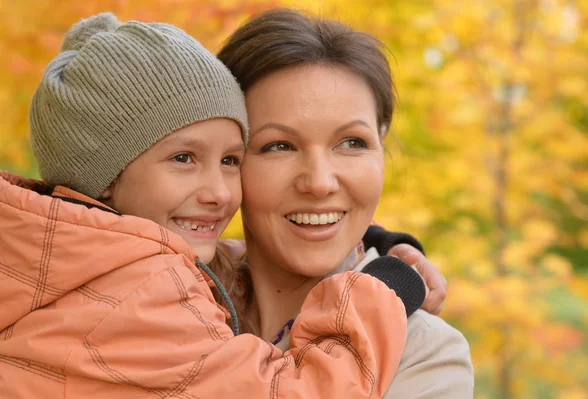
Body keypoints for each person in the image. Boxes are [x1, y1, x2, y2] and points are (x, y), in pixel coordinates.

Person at [0, 13, 424, 398]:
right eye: (183, 158)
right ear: (105, 178)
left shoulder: (50, 257)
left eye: (229, 160)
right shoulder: (145, 292)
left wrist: (376, 242)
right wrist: (384, 288)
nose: (219, 192)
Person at [217, 8, 474, 398]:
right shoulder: (168, 298)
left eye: (352, 143)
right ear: (228, 160)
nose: (319, 183)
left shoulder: (423, 355)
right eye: (279, 146)